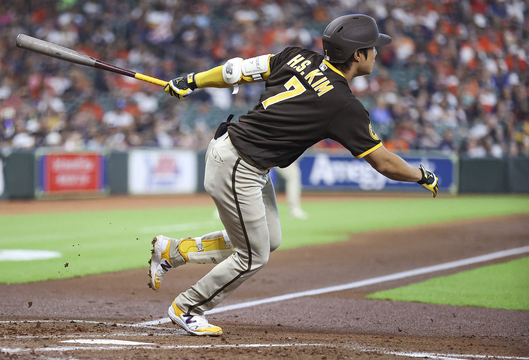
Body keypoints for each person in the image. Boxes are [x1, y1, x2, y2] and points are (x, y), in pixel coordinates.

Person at [148, 14, 439, 337]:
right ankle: (188, 307)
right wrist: (420, 175)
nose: (376, 53)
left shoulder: (297, 56)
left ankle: (175, 251)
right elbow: (384, 163)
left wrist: (191, 81)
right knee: (252, 256)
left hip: (241, 157)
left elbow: (235, 72)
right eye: (372, 48)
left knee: (270, 239)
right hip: (238, 164)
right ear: (358, 55)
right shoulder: (344, 105)